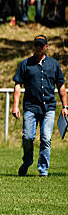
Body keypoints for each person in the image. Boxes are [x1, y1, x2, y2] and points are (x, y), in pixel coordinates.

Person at [12, 35, 68, 177]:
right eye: (36, 44)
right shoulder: (25, 64)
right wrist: (16, 106)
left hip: (48, 107)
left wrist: (65, 106)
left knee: (45, 138)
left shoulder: (54, 64)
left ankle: (43, 169)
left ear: (46, 47)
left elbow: (61, 85)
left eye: (41, 45)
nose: (38, 47)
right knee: (28, 137)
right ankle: (27, 161)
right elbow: (17, 85)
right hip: (30, 107)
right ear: (33, 46)